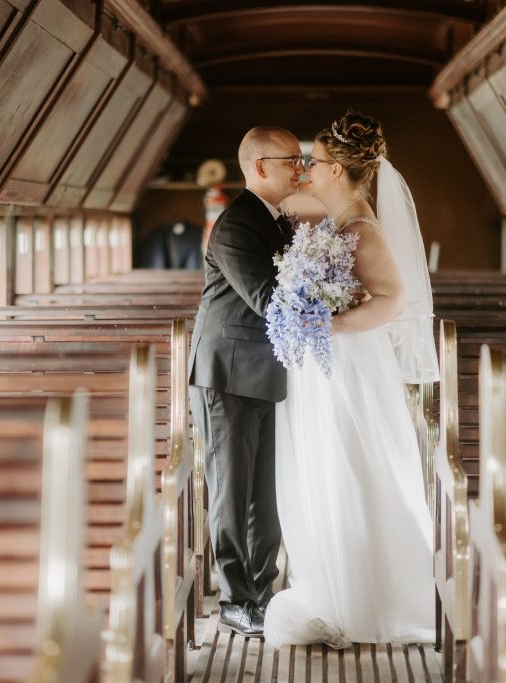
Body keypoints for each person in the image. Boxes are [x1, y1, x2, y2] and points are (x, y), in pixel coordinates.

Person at [264, 111, 438, 647]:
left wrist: (326, 322)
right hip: (327, 366)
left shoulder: (362, 228)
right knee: (327, 469)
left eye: (315, 162)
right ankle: (333, 585)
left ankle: (369, 599)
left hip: (353, 370)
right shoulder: (339, 222)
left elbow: (394, 302)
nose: (308, 170)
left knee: (355, 468)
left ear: (337, 170)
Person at [188, 126, 303, 638]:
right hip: (228, 376)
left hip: (266, 374)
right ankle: (235, 599)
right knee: (232, 494)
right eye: (291, 161)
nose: (300, 169)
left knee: (267, 494)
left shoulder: (278, 220)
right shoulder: (236, 224)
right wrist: (331, 309)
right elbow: (265, 297)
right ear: (260, 167)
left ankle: (262, 591)